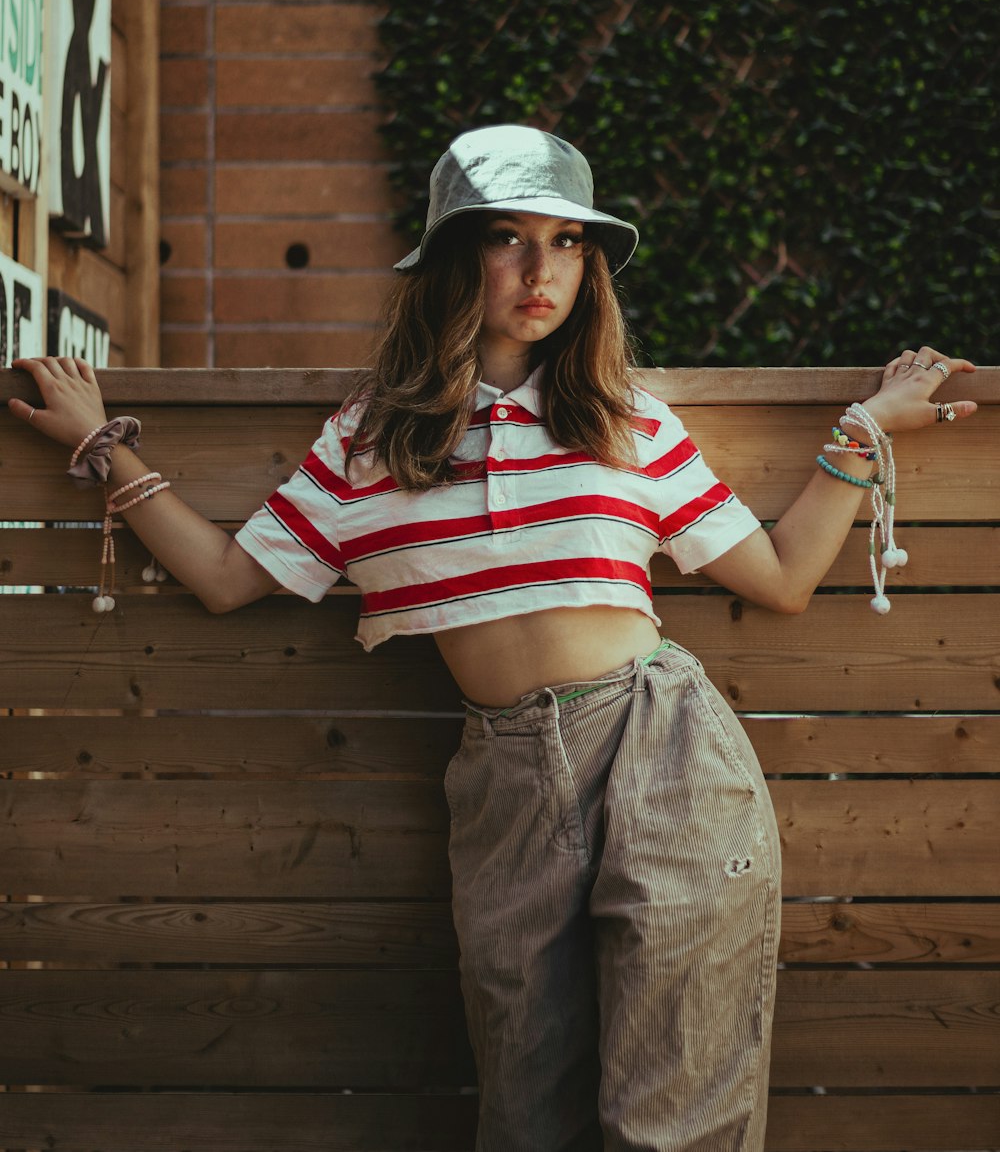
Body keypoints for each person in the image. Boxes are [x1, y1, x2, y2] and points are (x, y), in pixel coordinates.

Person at [8, 125, 977, 1152]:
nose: (539, 269)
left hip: (666, 752)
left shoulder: (625, 421)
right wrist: (98, 443)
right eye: (507, 237)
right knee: (525, 1118)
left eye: (566, 243)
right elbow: (222, 577)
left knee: (672, 1117)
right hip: (506, 776)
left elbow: (781, 579)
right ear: (451, 257)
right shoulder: (372, 438)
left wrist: (864, 428)